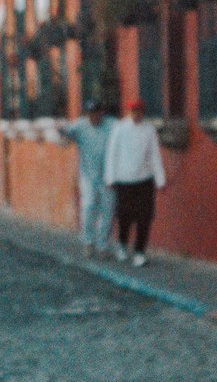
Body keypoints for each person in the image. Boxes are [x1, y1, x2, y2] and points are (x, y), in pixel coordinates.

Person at [105, 98, 166, 265]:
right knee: (125, 216)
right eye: (133, 111)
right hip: (124, 179)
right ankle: (122, 245)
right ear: (129, 112)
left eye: (139, 111)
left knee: (144, 216)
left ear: (143, 112)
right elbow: (112, 153)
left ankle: (140, 251)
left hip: (144, 179)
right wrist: (110, 177)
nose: (136, 115)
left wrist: (160, 179)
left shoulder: (149, 130)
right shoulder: (120, 128)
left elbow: (154, 155)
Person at [69, 101, 116, 257]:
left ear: (102, 112)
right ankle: (88, 242)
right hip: (88, 176)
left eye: (96, 113)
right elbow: (65, 133)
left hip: (108, 175)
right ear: (87, 114)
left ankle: (103, 245)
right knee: (88, 207)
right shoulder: (79, 126)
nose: (94, 116)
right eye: (91, 113)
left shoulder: (112, 125)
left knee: (107, 211)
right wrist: (58, 129)